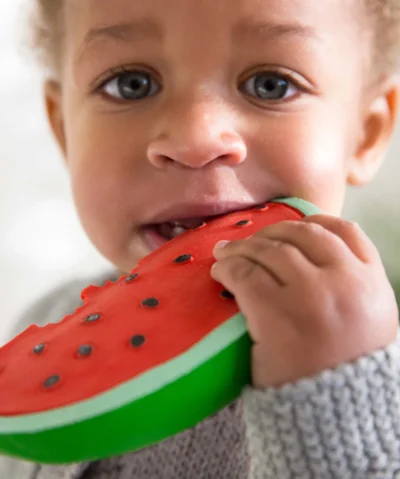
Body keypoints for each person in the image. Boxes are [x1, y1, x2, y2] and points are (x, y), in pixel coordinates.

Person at [2, 0, 400, 477]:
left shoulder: (378, 389)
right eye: (132, 85)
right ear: (65, 130)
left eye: (270, 86)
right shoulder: (47, 321)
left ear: (366, 134)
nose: (196, 140)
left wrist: (332, 404)